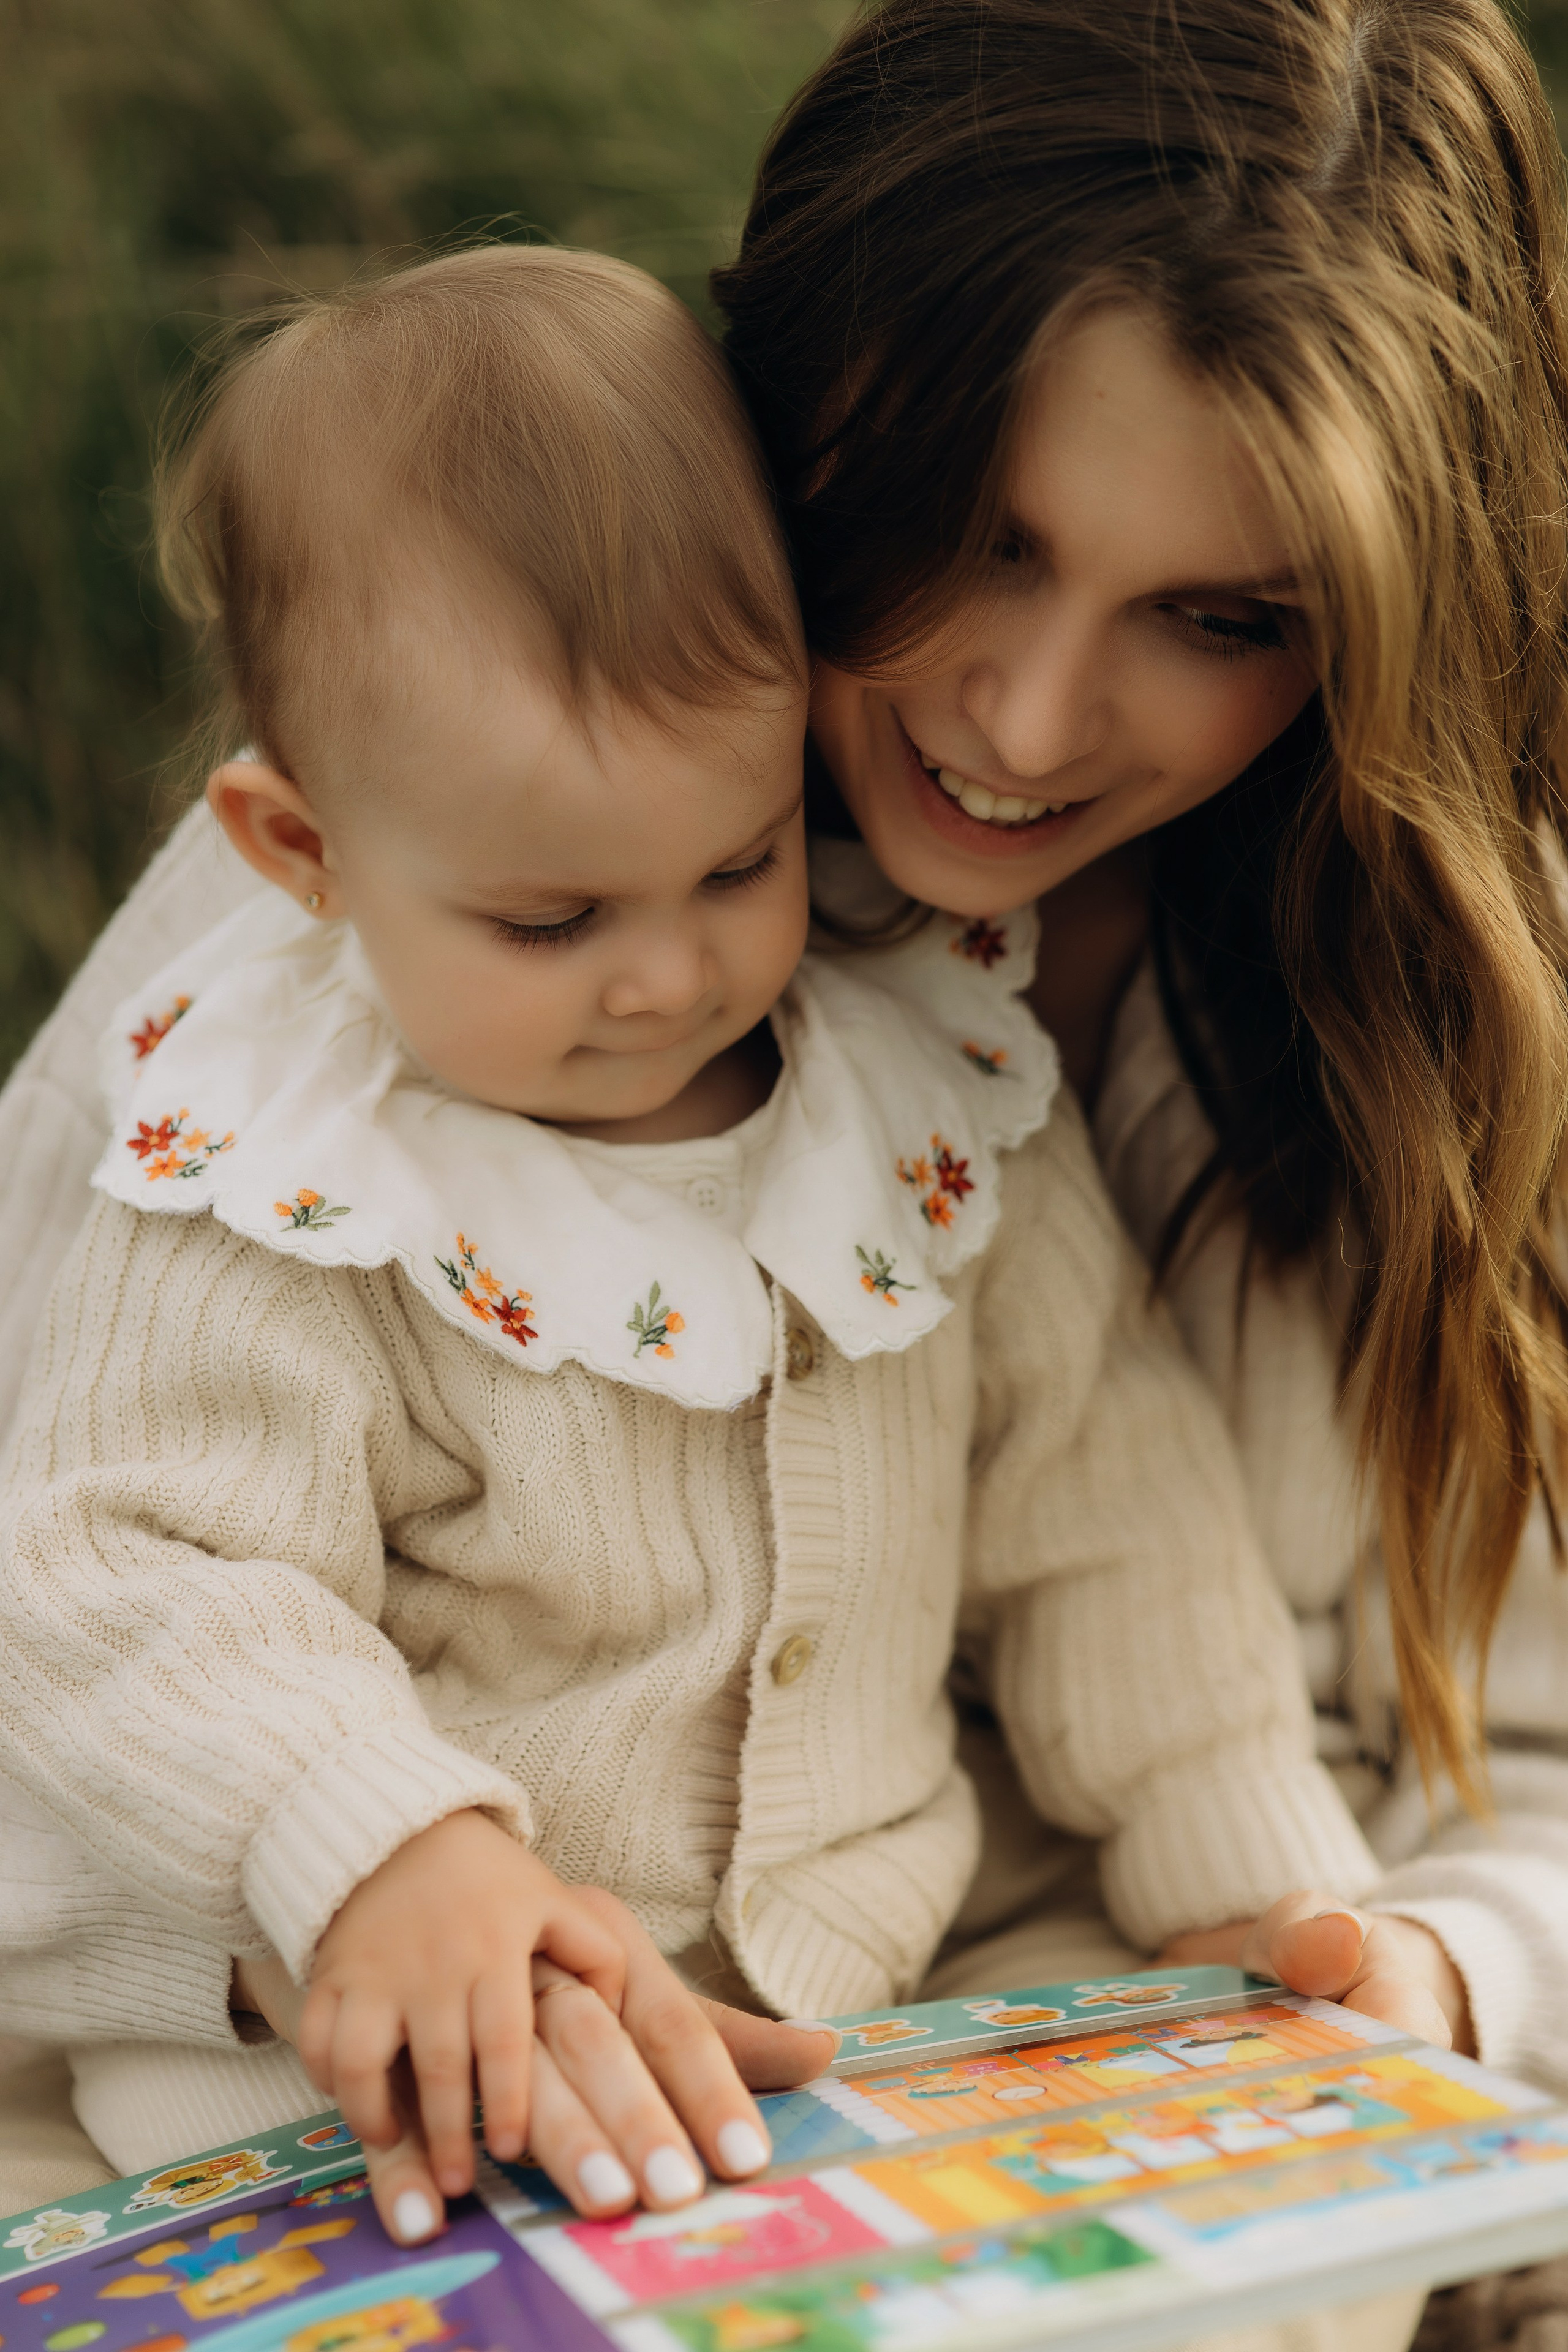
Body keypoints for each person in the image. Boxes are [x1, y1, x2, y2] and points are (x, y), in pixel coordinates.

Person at [0, 241, 1380, 2261]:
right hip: (379, 2070)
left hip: (847, 2014)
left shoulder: (919, 1098)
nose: (667, 978)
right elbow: (118, 1566)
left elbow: (1119, 1511)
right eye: (552, 922)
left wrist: (1233, 1866)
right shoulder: (277, 1176)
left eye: (737, 865)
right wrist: (376, 1850)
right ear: (299, 849)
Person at [711, 0, 1568, 2105]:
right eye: (982, 535)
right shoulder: (440, 849)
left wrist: (1441, 1969)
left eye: (1222, 619)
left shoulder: (1483, 986)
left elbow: (1540, 1751)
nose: (1022, 726)